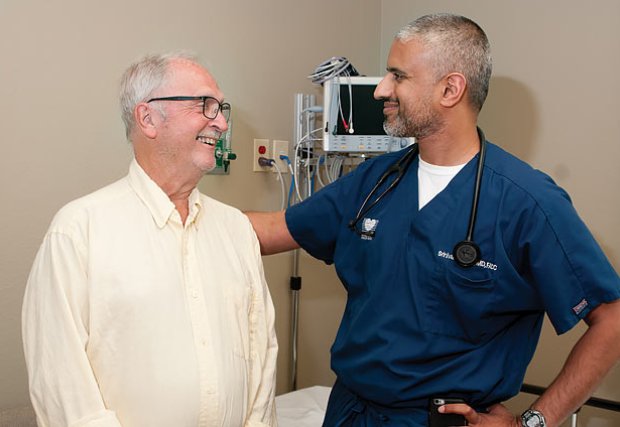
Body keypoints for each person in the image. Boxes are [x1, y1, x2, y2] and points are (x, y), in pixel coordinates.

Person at [246, 13, 620, 427]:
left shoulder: (527, 202)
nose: (382, 90)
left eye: (397, 76)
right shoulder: (374, 181)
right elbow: (268, 230)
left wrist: (533, 421)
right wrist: (170, 202)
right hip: (351, 412)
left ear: (450, 88)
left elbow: (612, 320)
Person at [22, 52, 278, 427]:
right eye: (205, 105)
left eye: (221, 108)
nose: (221, 122)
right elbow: (61, 383)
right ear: (148, 118)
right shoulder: (78, 231)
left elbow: (262, 355)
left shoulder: (235, 230)